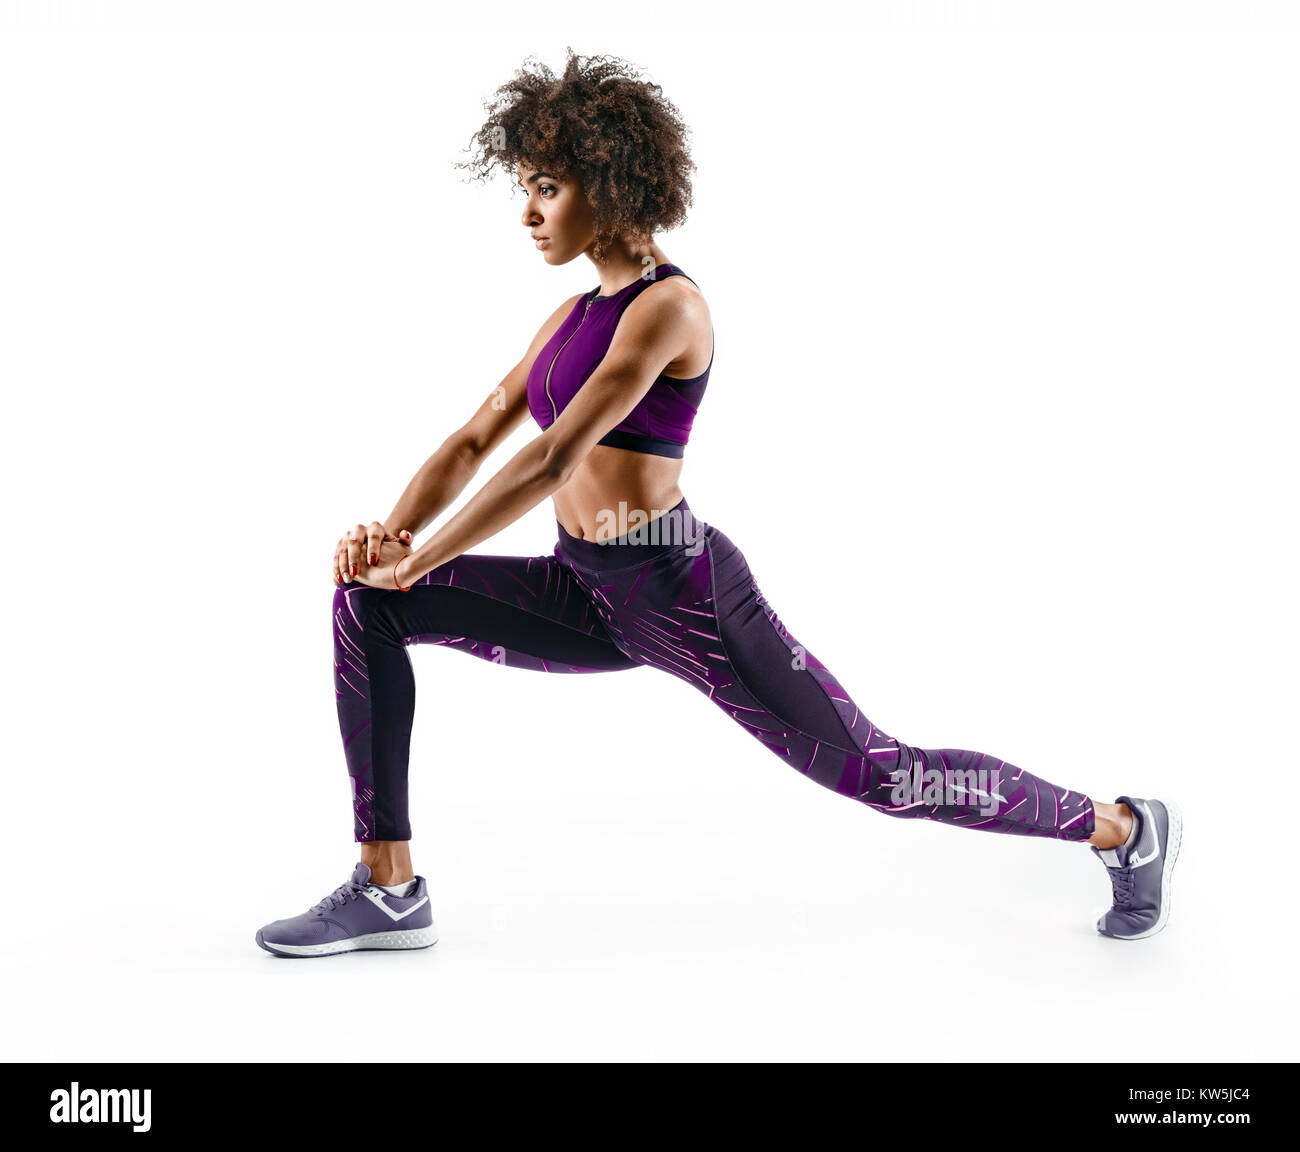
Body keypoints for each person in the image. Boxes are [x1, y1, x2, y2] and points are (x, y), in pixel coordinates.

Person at [255, 49, 1181, 958]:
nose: (529, 214)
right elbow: (472, 439)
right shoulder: (572, 316)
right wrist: (394, 538)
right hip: (586, 591)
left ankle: (1121, 827)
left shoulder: (671, 308)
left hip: (681, 595)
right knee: (367, 603)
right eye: (526, 189)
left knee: (881, 775)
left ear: (609, 185)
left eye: (547, 187)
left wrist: (419, 555)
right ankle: (388, 888)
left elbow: (550, 458)